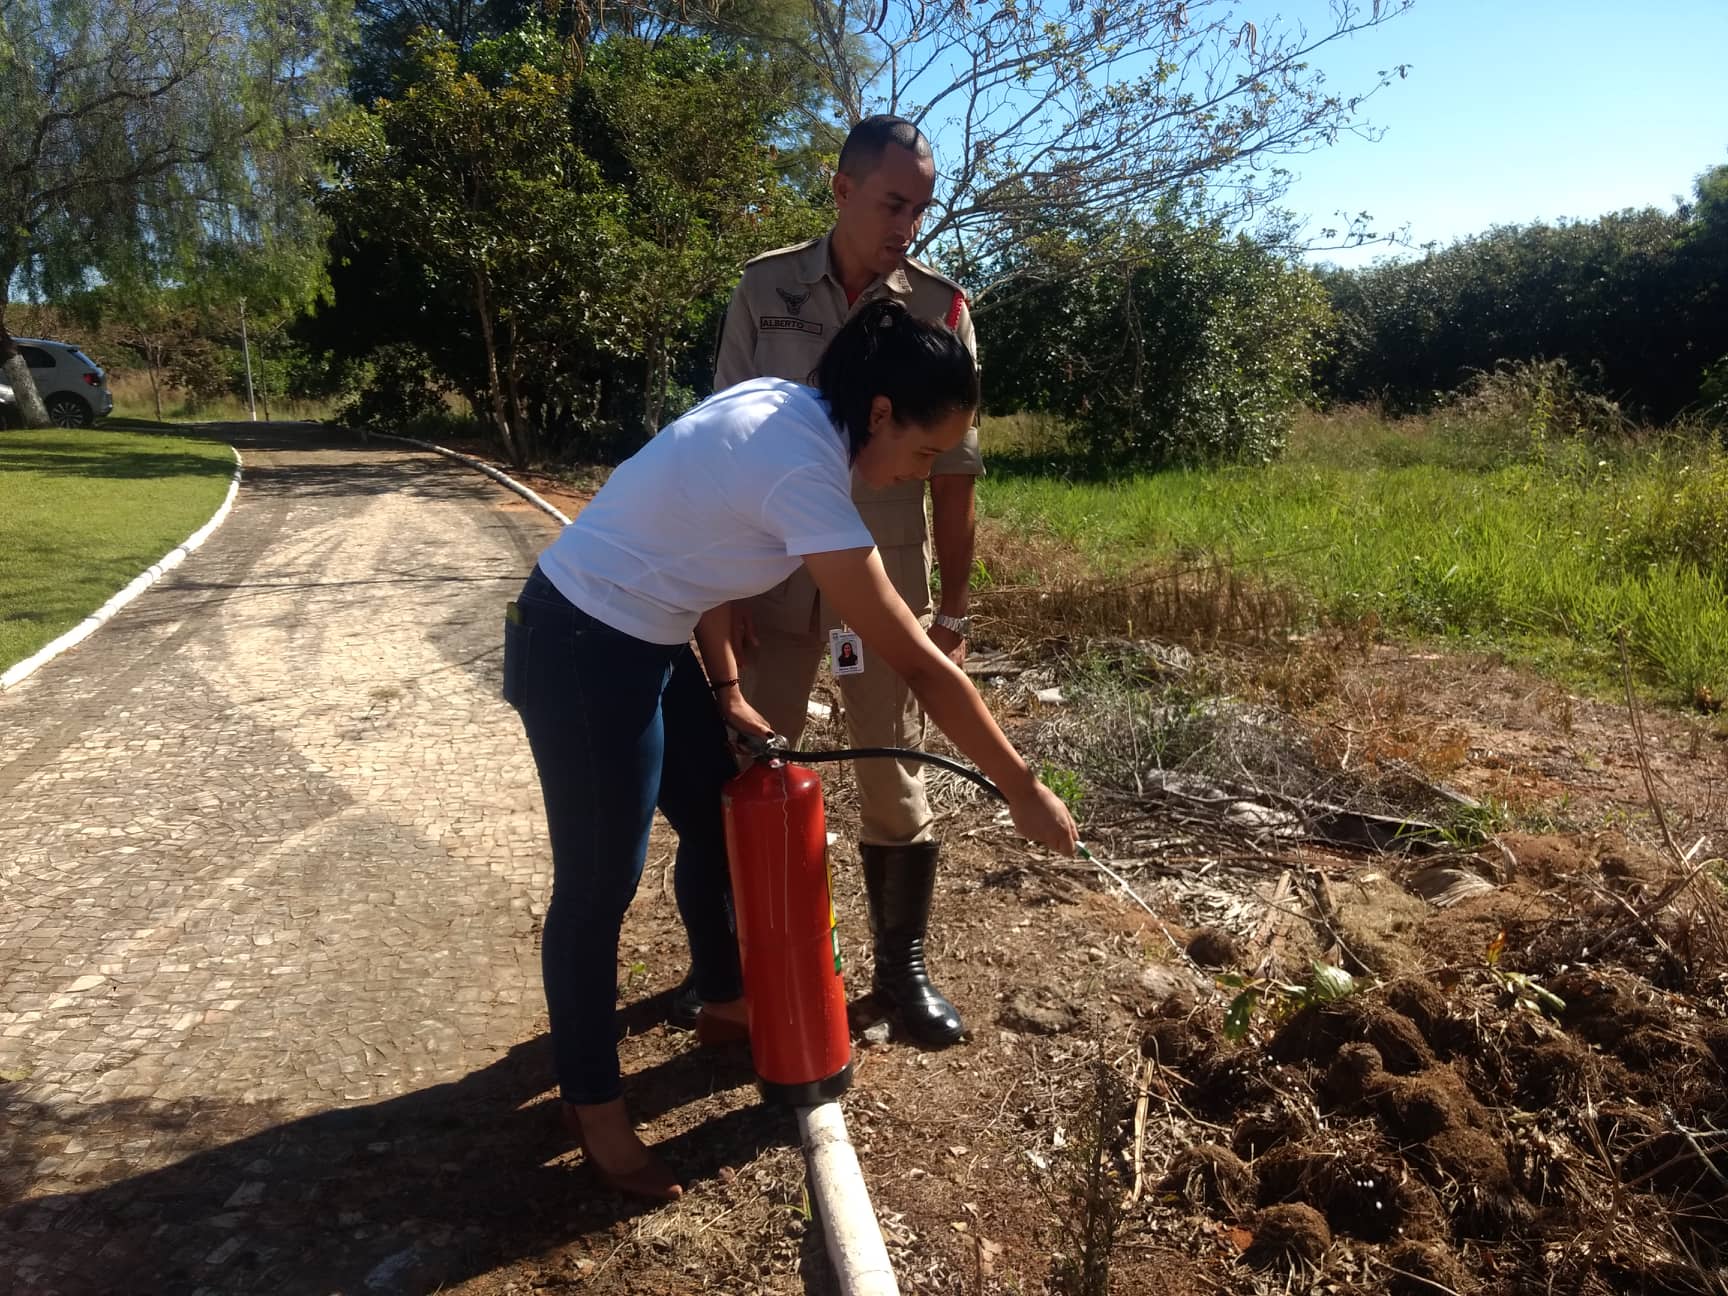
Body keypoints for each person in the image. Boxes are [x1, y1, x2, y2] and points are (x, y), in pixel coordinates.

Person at [503, 301, 1076, 1202]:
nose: (915, 476)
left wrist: (724, 691)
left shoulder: (790, 405)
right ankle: (595, 1109)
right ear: (880, 412)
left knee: (715, 810)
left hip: (641, 639)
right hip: (582, 648)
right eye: (924, 455)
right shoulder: (805, 474)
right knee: (597, 888)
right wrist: (1023, 788)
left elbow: (691, 536)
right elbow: (920, 666)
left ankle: (725, 997)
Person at [697, 115, 982, 1047]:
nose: (909, 222)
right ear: (842, 189)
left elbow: (955, 469)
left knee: (891, 767)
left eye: (921, 207)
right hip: (773, 569)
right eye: (894, 201)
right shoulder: (766, 288)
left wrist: (953, 608)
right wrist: (721, 599)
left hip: (881, 572)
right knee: (754, 759)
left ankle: (900, 972)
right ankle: (757, 966)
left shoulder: (940, 306)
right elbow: (722, 442)